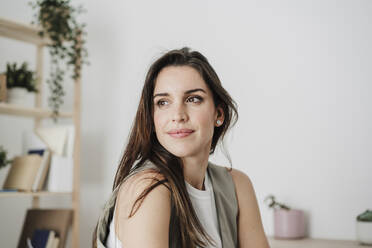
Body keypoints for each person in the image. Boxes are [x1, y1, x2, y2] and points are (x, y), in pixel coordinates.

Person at [93, 47, 270, 248]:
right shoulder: (149, 188)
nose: (178, 115)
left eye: (193, 99)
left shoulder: (237, 186)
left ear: (218, 114)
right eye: (163, 102)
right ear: (152, 117)